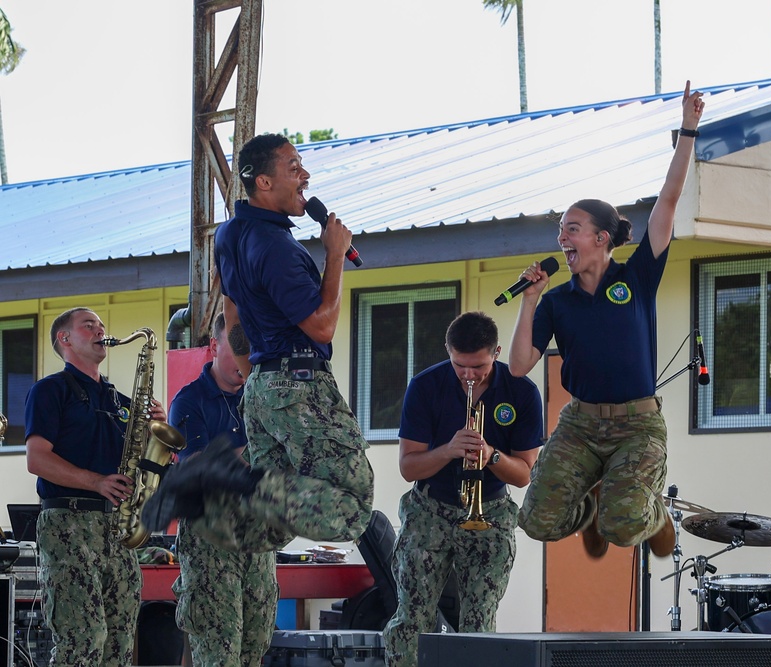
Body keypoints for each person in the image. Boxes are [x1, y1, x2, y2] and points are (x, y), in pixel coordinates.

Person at [143, 133, 375, 614]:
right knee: (352, 508)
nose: (305, 176)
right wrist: (335, 256)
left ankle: (206, 503)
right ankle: (232, 480)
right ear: (264, 181)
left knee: (270, 529)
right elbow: (322, 323)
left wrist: (256, 379)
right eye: (294, 167)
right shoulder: (277, 248)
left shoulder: (230, 235)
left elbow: (232, 313)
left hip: (267, 386)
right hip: (300, 382)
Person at [509, 81, 704, 559]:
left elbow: (669, 200)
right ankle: (592, 504)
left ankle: (652, 514)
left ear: (600, 237)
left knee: (623, 526)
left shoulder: (637, 275)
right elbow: (517, 367)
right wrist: (529, 300)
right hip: (580, 425)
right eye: (560, 232)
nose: (562, 239)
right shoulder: (557, 302)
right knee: (536, 521)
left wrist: (688, 130)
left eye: (571, 230)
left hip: (637, 426)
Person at [382, 311, 543, 667]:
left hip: (491, 511)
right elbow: (408, 467)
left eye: (479, 367)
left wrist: (490, 455)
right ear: (447, 351)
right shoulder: (425, 386)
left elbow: (523, 475)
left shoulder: (523, 392)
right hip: (430, 510)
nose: (469, 375)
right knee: (412, 619)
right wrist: (448, 450)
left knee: (479, 624)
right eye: (459, 366)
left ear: (497, 352)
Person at [24, 307, 168, 666]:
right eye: (88, 325)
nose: (100, 330)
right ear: (65, 339)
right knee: (82, 639)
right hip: (69, 524)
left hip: (117, 528)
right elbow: (36, 459)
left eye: (101, 325)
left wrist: (157, 434)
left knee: (119, 642)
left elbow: (147, 462)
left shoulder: (122, 402)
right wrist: (96, 481)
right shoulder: (50, 390)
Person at [168, 313, 277, 667]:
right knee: (217, 649)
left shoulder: (261, 396)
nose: (246, 360)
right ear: (214, 346)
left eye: (252, 350)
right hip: (209, 536)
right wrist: (256, 453)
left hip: (257, 532)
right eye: (238, 349)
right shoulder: (189, 401)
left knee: (255, 644)